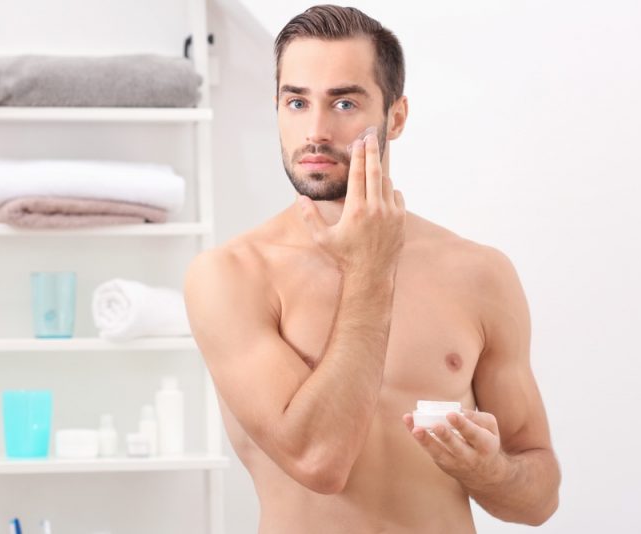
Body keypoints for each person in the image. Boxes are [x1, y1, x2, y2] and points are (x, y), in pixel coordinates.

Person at [185, 5, 561, 533]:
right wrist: (371, 266)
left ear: (397, 116)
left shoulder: (481, 274)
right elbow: (319, 461)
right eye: (297, 102)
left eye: (343, 102)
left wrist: (491, 471)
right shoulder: (230, 276)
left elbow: (538, 498)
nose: (315, 131)